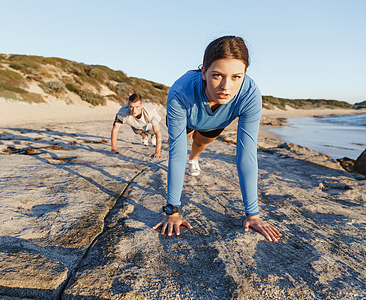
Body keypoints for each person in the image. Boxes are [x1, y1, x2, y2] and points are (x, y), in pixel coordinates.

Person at [153, 36, 282, 242]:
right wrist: (172, 212)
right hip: (187, 117)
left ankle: (194, 159)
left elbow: (246, 153)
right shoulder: (180, 92)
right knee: (183, 144)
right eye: (217, 75)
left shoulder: (250, 94)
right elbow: (176, 154)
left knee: (201, 143)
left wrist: (253, 215)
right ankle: (190, 156)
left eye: (236, 77)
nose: (225, 86)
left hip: (214, 123)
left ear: (245, 74)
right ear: (203, 72)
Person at [111, 93, 162, 158]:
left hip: (148, 124)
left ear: (141, 105)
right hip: (135, 125)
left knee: (152, 132)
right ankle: (144, 136)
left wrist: (157, 152)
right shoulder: (122, 113)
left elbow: (158, 132)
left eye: (137, 107)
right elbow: (115, 130)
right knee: (137, 131)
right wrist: (113, 149)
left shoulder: (150, 111)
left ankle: (152, 136)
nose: (134, 110)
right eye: (131, 107)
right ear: (128, 105)